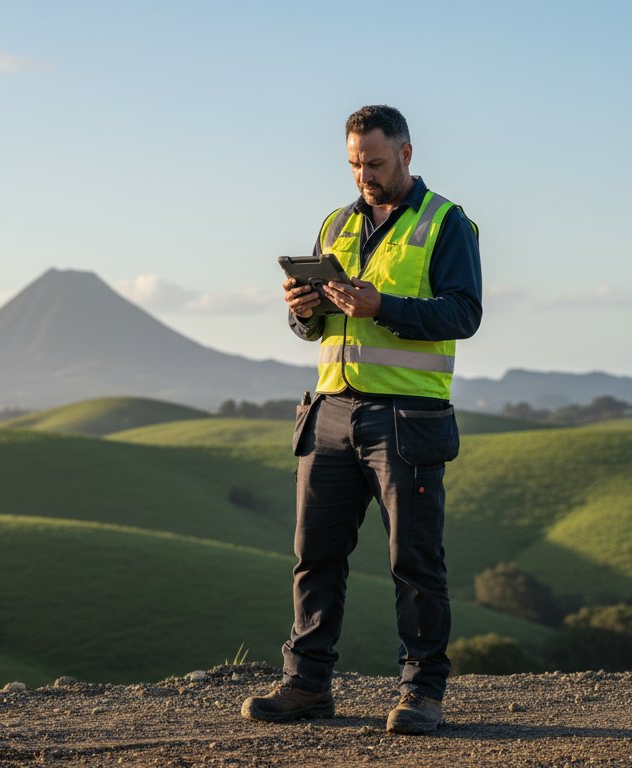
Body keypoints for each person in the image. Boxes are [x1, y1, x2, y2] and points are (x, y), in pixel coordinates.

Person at [241, 105, 482, 735]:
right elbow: (314, 328)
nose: (362, 175)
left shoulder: (446, 224)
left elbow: (463, 315)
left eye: (373, 163)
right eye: (353, 163)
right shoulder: (335, 222)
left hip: (407, 419)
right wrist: (302, 310)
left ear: (405, 153)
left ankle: (421, 693)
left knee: (415, 561)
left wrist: (383, 306)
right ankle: (306, 685)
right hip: (329, 412)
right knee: (313, 556)